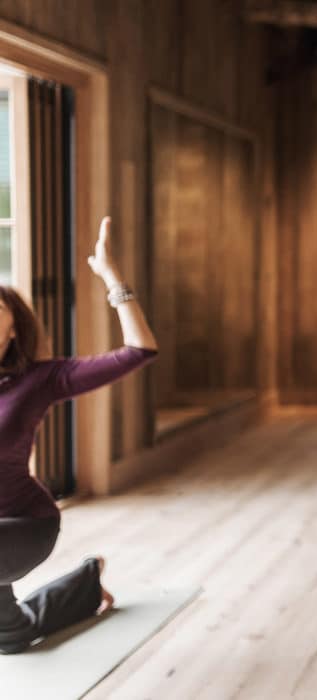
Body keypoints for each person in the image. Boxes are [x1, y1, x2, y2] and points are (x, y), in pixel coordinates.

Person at [0, 218, 158, 653]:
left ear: (14, 328)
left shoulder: (39, 379)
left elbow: (138, 351)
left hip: (26, 524)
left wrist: (112, 279)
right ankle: (87, 584)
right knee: (10, 639)